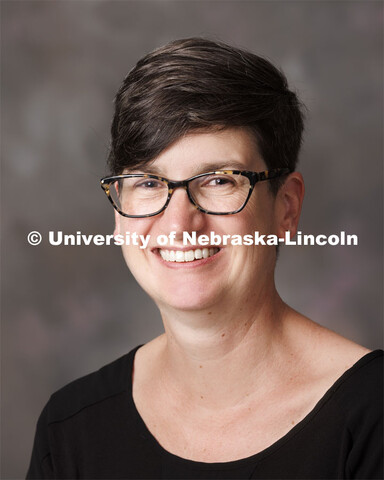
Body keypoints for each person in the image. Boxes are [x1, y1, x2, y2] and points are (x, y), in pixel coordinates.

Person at [27, 38, 383, 479]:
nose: (179, 222)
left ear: (286, 206)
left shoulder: (371, 417)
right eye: (148, 182)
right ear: (118, 211)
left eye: (218, 181)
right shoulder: (71, 427)